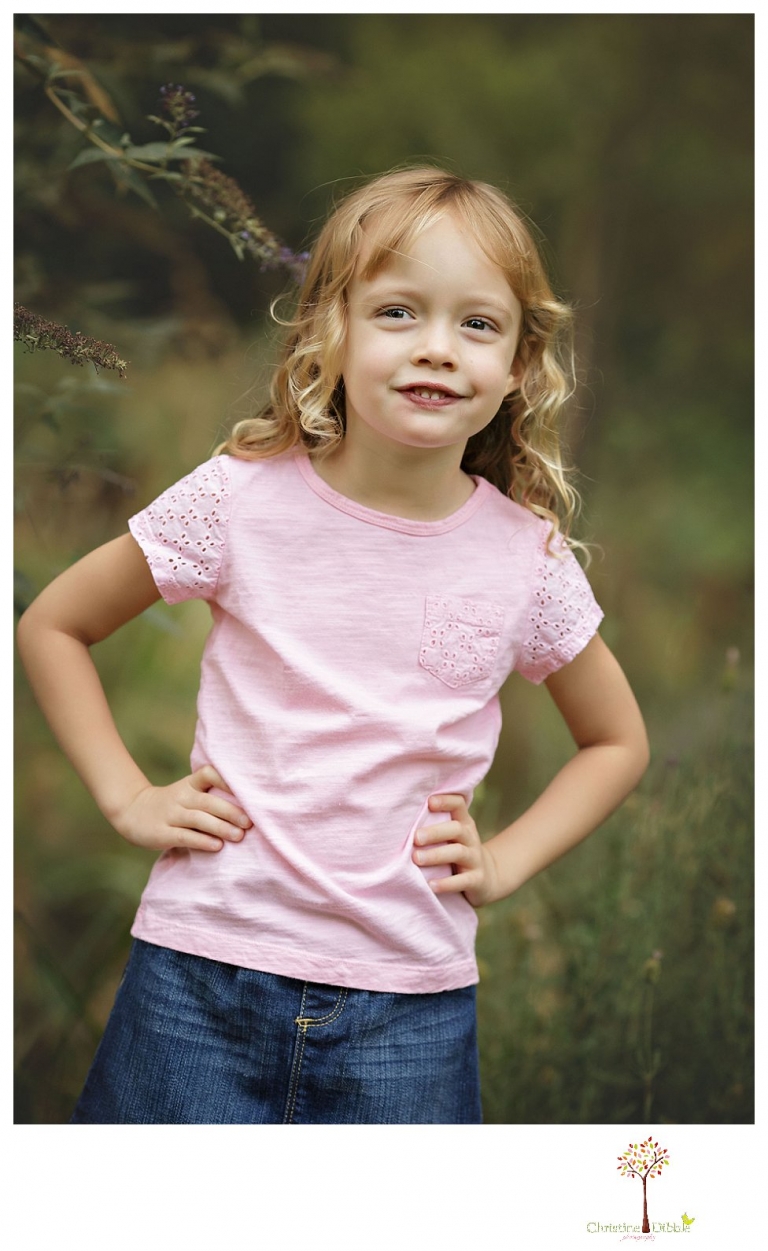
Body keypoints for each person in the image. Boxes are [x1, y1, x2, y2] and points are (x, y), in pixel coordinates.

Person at [17, 166, 649, 1124]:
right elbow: (53, 624)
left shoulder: (526, 560)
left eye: (477, 324)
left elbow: (617, 743)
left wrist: (506, 862)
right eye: (398, 312)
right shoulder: (240, 499)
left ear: (519, 364)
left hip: (410, 1008)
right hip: (200, 975)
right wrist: (127, 795)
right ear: (333, 331)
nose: (438, 349)